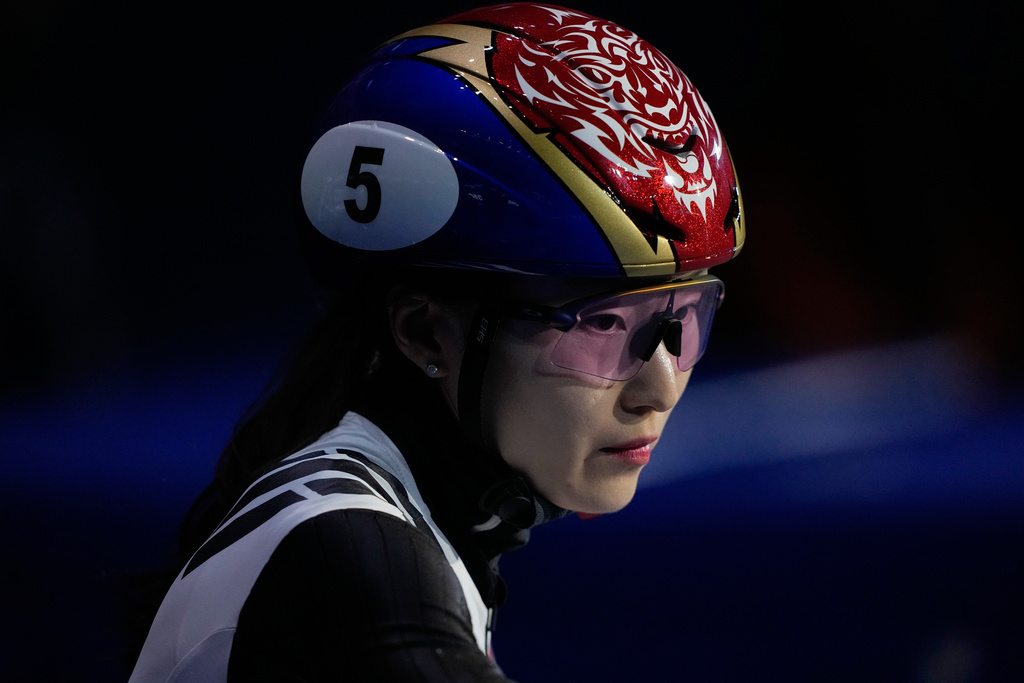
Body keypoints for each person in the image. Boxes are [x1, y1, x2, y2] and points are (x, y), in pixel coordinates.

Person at [129, 3, 745, 681]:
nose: (659, 387)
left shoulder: (379, 514)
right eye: (604, 325)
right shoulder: (345, 544)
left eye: (681, 319)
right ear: (426, 332)